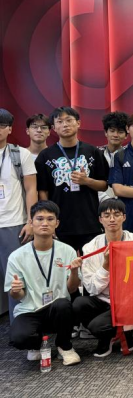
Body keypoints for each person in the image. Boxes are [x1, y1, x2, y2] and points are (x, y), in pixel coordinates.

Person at [4, 201, 82, 365]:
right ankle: (36, 344)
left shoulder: (67, 250)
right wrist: (16, 290)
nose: (45, 223)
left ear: (57, 223)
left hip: (57, 308)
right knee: (19, 337)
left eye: (50, 219)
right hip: (30, 310)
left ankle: (64, 346)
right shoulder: (17, 257)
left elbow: (72, 289)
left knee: (64, 304)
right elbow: (18, 296)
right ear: (31, 222)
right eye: (39, 219)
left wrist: (74, 272)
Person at [72, 199, 133, 357]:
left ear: (124, 217)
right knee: (79, 304)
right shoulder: (90, 247)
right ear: (100, 219)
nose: (112, 219)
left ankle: (128, 333)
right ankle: (107, 336)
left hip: (130, 301)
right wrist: (105, 266)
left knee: (98, 325)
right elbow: (92, 288)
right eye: (107, 215)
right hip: (104, 299)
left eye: (116, 214)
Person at [35, 106, 109, 254]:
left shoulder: (93, 152)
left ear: (78, 123)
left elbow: (104, 185)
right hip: (60, 223)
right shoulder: (45, 156)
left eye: (69, 120)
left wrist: (87, 181)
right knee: (63, 264)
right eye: (60, 121)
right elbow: (43, 191)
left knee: (91, 262)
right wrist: (49, 220)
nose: (65, 125)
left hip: (89, 221)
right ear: (54, 127)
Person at [0, 109, 38, 321]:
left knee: (15, 277)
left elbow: (31, 189)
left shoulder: (20, 154)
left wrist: (30, 222)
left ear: (10, 129)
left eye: (2, 126)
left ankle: (19, 322)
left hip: (13, 223)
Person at [98, 111, 129, 201]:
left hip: (125, 203)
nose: (115, 135)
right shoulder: (96, 154)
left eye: (120, 132)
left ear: (126, 135)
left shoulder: (130, 155)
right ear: (106, 133)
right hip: (101, 204)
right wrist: (106, 200)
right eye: (112, 131)